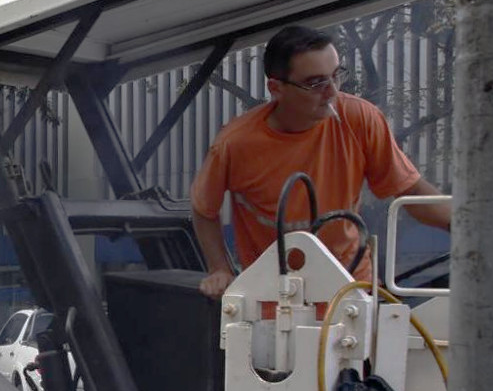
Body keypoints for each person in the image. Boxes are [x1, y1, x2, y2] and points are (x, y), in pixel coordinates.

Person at [191, 25, 452, 297]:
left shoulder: (360, 118)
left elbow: (411, 190)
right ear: (276, 88)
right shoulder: (235, 144)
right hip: (272, 294)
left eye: (336, 76)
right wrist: (219, 268)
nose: (331, 92)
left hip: (351, 287)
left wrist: (464, 225)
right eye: (316, 83)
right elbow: (203, 209)